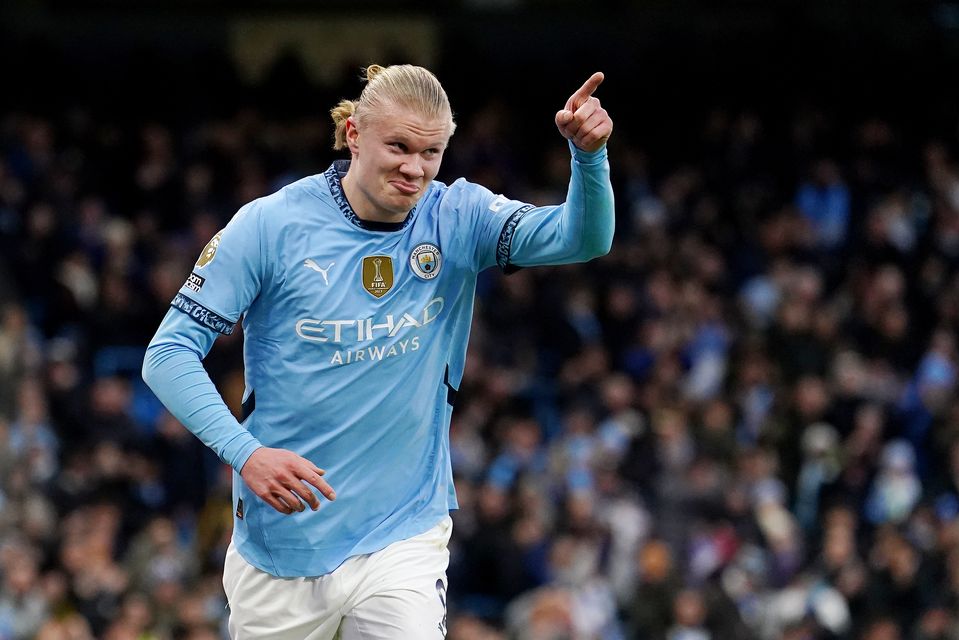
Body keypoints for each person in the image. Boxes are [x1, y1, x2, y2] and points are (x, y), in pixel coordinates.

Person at [142, 63, 614, 639]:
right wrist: (246, 454)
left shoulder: (456, 217)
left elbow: (583, 238)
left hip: (403, 532)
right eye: (399, 146)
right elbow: (168, 354)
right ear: (354, 134)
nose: (415, 168)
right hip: (286, 543)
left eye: (432, 152)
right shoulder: (270, 226)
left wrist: (588, 158)